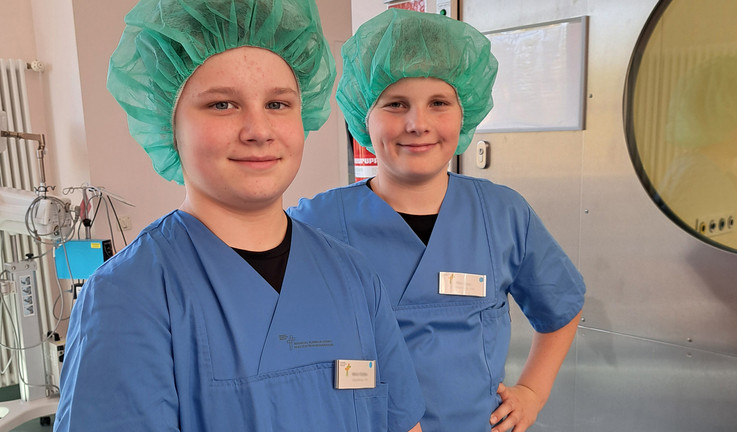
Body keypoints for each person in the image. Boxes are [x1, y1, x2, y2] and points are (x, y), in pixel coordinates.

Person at [54, 1, 425, 430]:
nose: (258, 130)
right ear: (169, 124)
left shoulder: (354, 278)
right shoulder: (129, 296)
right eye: (222, 105)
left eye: (278, 104)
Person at [288, 8, 585, 432]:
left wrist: (533, 393)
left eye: (439, 103)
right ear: (362, 117)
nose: (418, 123)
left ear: (465, 112)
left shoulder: (501, 213)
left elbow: (562, 304)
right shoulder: (317, 222)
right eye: (395, 104)